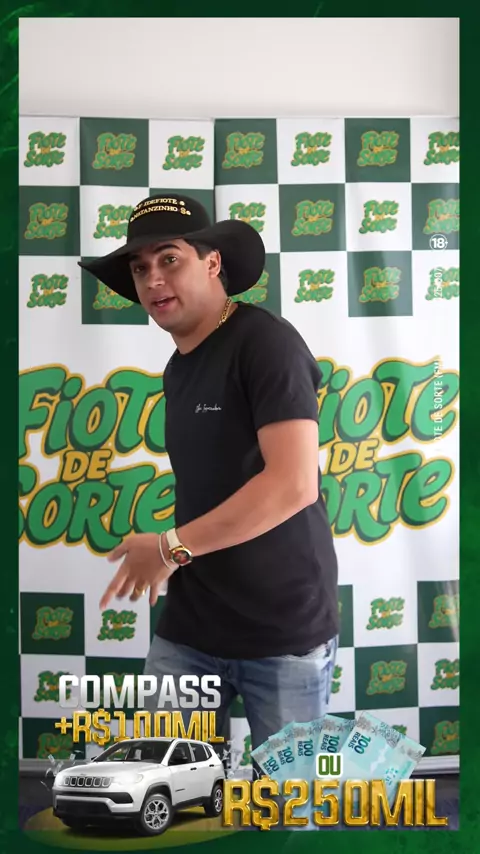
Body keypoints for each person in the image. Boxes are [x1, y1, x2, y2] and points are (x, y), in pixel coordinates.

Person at [79, 193, 339, 766]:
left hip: (282, 628)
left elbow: (294, 483)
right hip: (192, 626)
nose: (152, 279)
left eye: (169, 259)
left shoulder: (265, 342)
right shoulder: (179, 367)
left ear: (213, 262)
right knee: (171, 790)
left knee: (289, 808)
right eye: (140, 267)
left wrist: (168, 548)